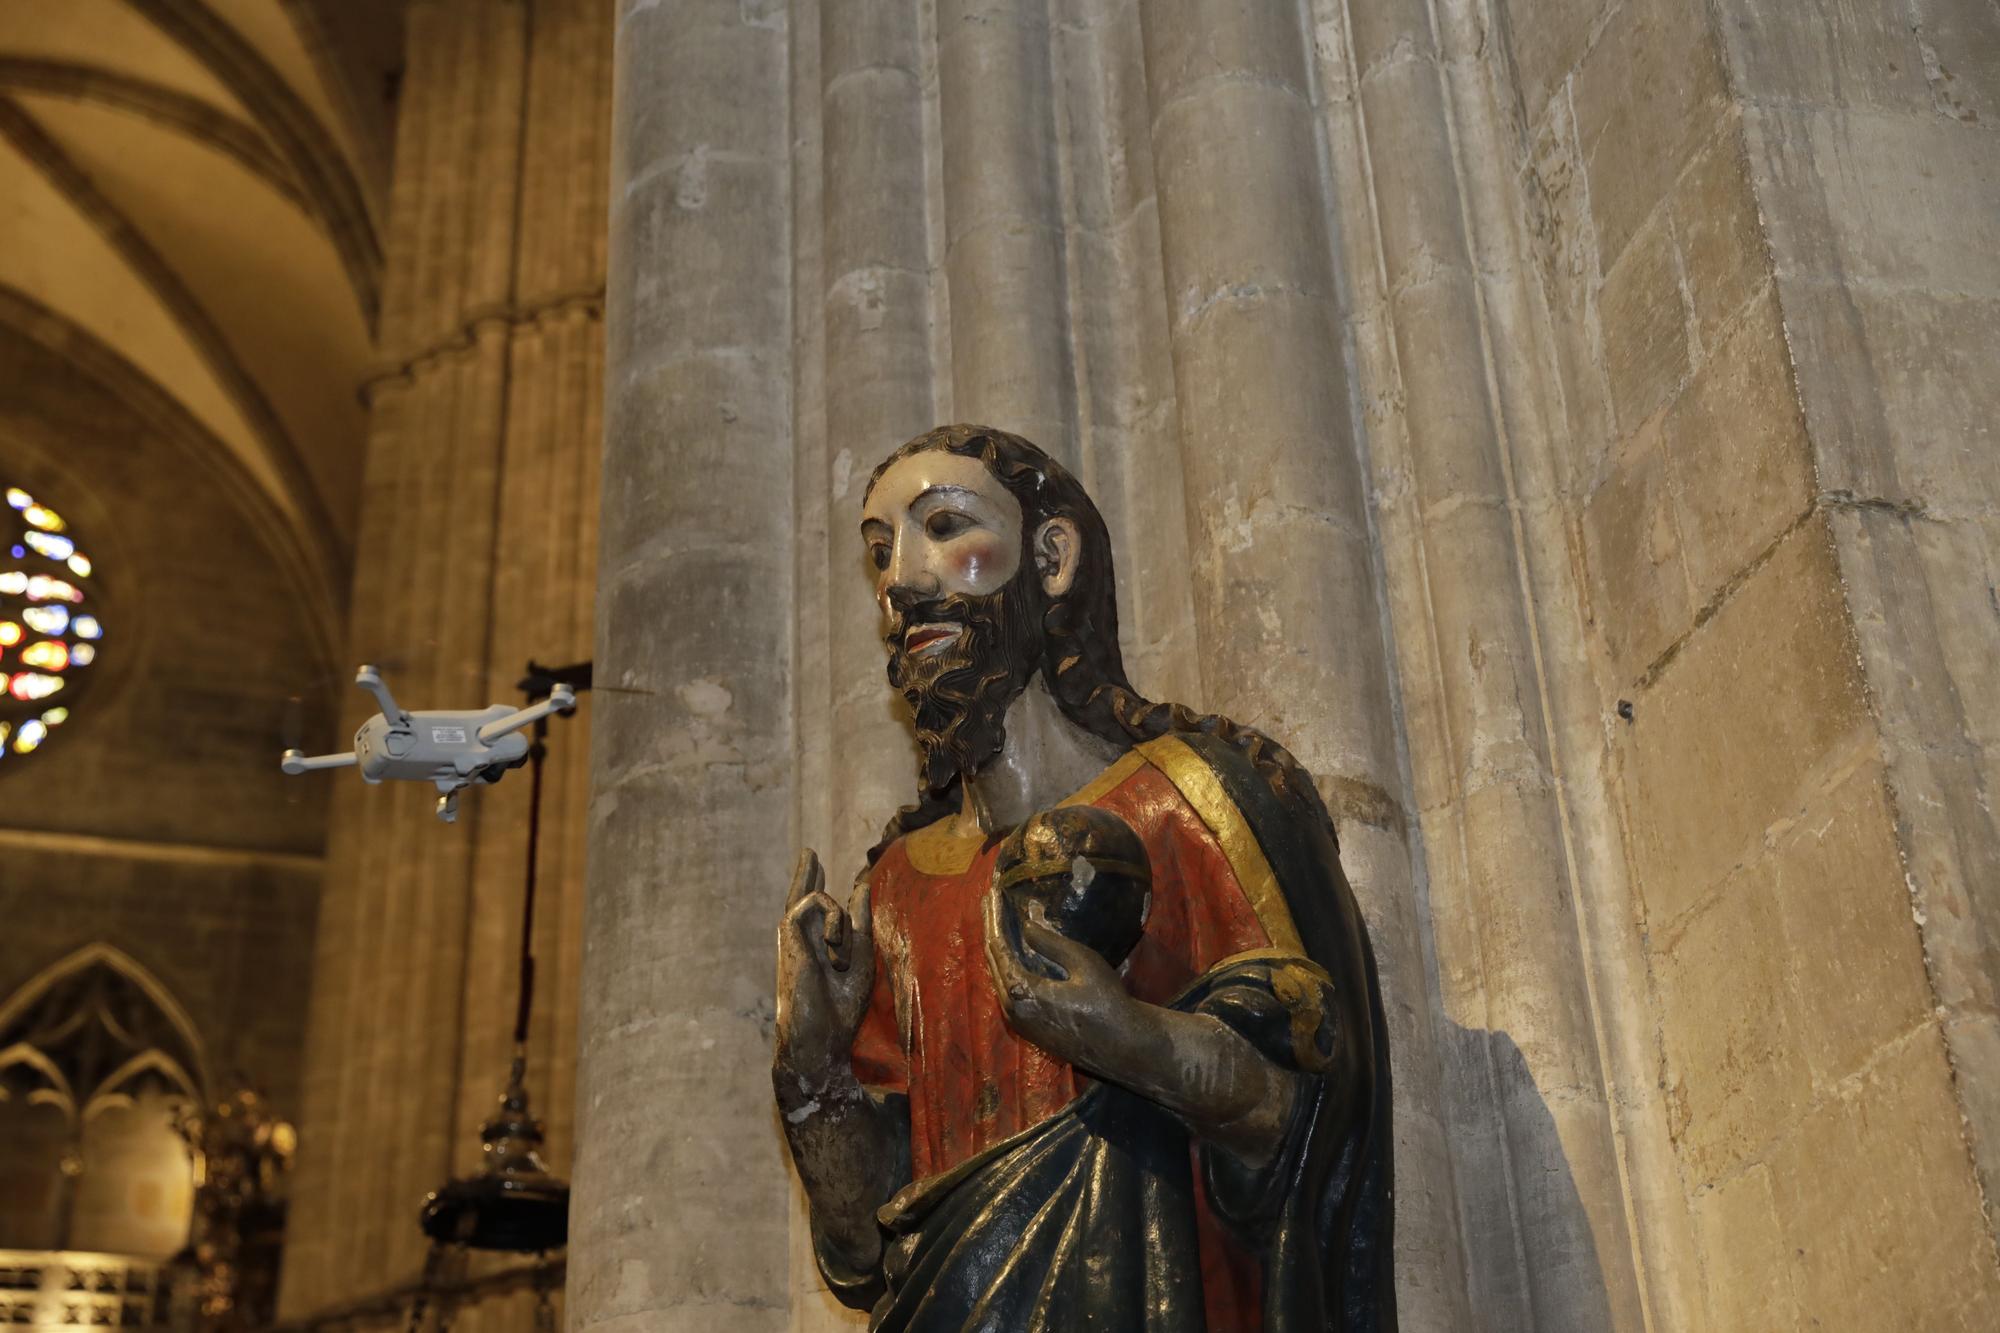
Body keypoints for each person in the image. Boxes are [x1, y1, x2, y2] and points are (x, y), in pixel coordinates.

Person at [774, 425, 1396, 1332]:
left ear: (1052, 558)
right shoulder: (895, 891)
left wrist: (1131, 1039)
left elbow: (1310, 1127)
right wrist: (813, 1069)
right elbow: (865, 1247)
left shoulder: (1196, 804)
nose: (900, 582)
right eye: (880, 550)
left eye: (945, 526)